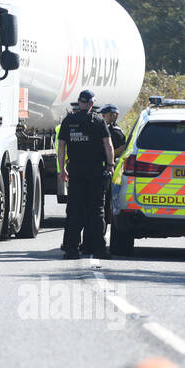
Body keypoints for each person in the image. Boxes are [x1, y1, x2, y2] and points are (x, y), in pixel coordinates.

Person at [57, 89, 115, 259]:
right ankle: (98, 249)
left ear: (79, 102)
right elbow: (108, 145)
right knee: (96, 211)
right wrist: (110, 165)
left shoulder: (69, 120)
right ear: (91, 103)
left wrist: (62, 169)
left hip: (75, 172)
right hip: (96, 172)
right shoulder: (98, 121)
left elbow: (61, 147)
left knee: (74, 210)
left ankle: (71, 249)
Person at [100, 104, 127, 238]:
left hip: (112, 172)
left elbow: (122, 148)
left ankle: (102, 233)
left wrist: (108, 154)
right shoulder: (111, 129)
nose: (103, 118)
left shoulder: (115, 131)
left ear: (113, 116)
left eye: (105, 115)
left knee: (105, 204)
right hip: (110, 170)